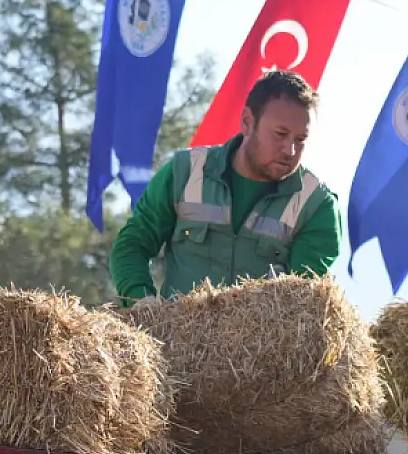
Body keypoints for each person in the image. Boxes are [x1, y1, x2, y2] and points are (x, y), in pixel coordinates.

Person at [110, 70, 342, 306]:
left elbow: (302, 302)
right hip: (175, 340)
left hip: (262, 343)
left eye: (300, 139)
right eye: (280, 134)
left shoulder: (316, 205)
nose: (290, 150)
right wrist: (140, 300)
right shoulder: (185, 172)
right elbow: (133, 244)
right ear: (247, 122)